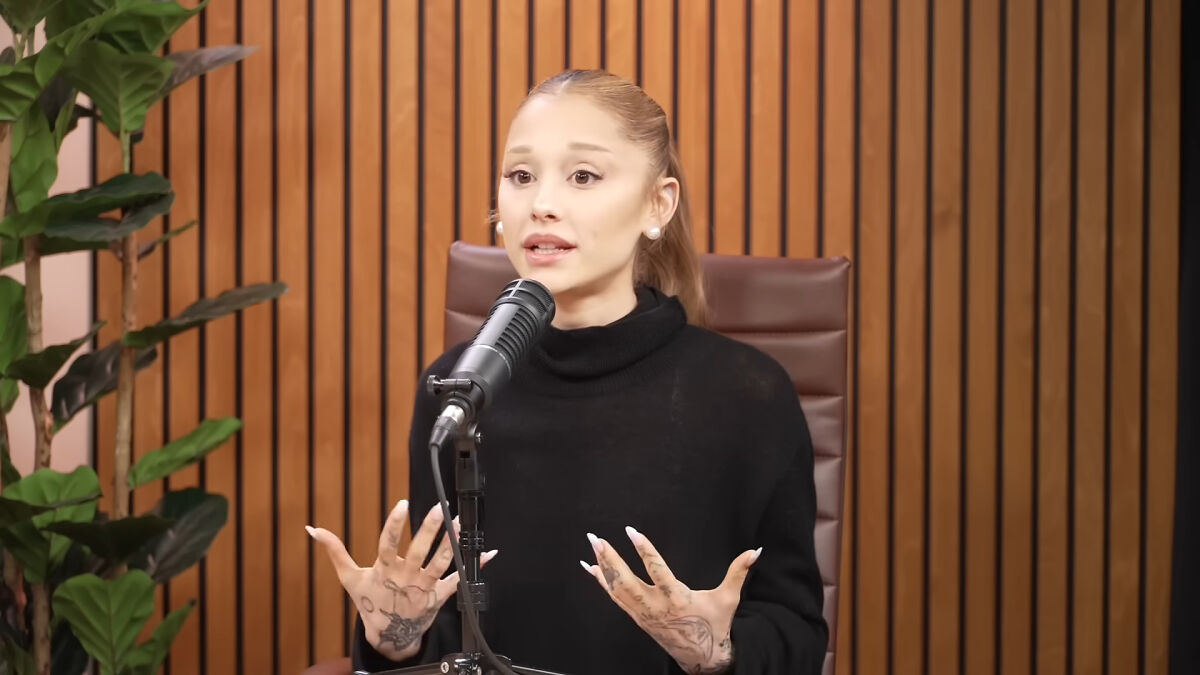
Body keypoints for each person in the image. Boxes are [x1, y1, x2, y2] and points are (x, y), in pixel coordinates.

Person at [306, 69, 828, 674]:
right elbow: (444, 621)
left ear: (657, 204)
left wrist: (717, 652)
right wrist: (396, 639)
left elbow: (795, 632)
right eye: (521, 176)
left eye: (583, 176)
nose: (541, 204)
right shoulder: (459, 390)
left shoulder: (748, 395)